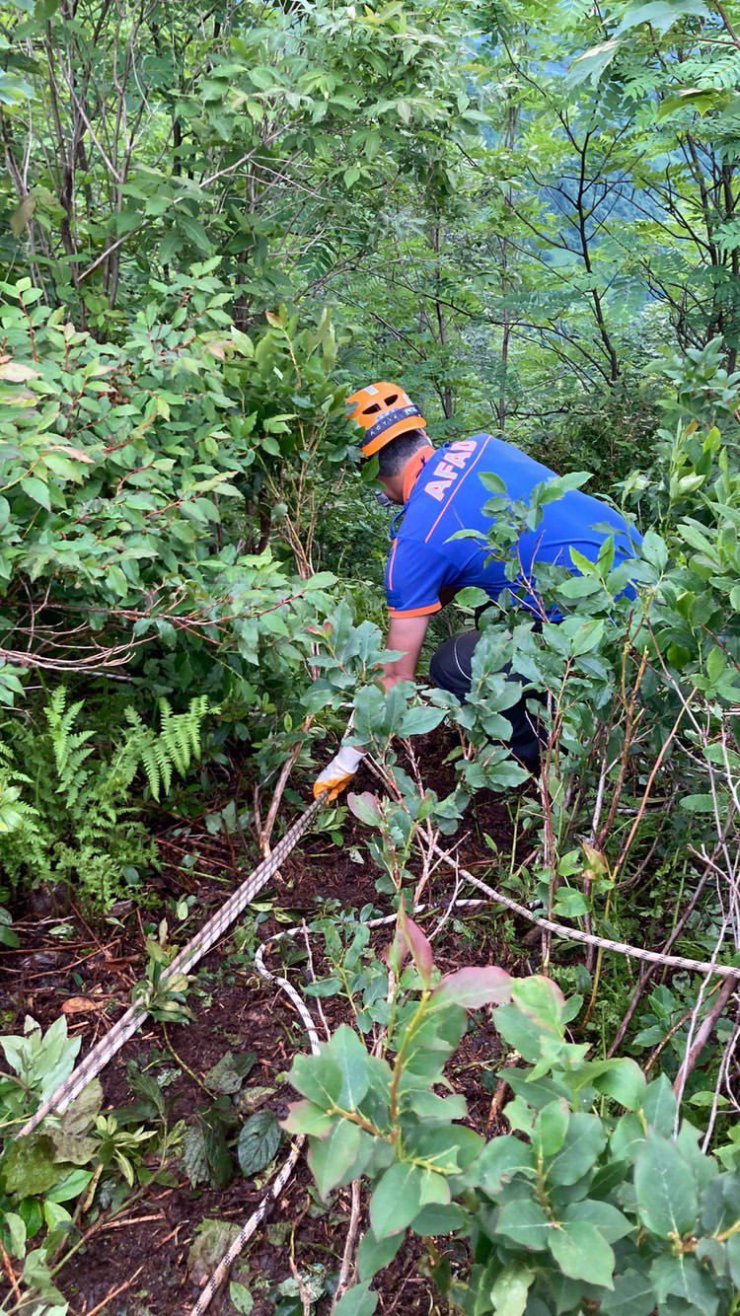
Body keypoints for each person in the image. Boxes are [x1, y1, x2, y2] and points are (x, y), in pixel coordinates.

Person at [313, 381, 641, 800]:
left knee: (452, 666)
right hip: (643, 581)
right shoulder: (484, 447)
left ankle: (534, 764)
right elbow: (442, 586)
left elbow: (396, 678)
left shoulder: (415, 543)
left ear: (373, 472)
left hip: (602, 631)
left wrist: (346, 759)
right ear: (423, 435)